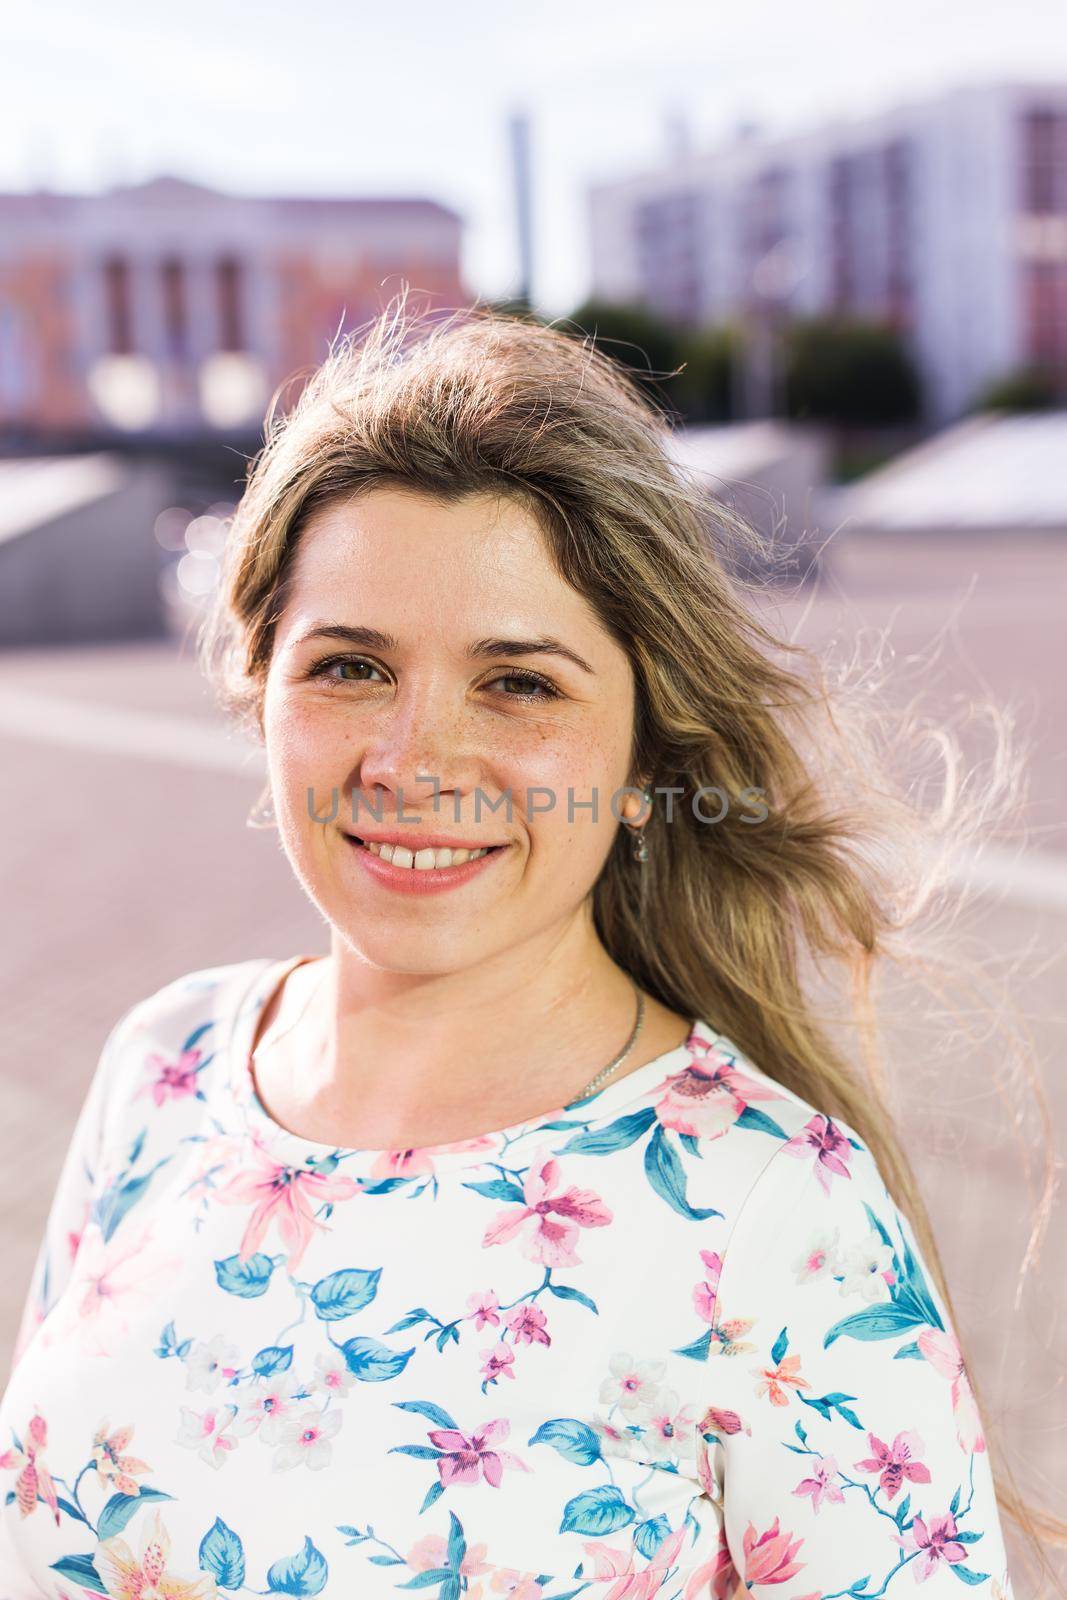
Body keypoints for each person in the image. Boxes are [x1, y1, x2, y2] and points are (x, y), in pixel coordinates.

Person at [0, 298, 1048, 1598]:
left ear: (642, 754)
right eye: (350, 668)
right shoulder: (162, 1063)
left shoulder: (780, 1211)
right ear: (258, 674)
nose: (412, 761)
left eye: (521, 682)